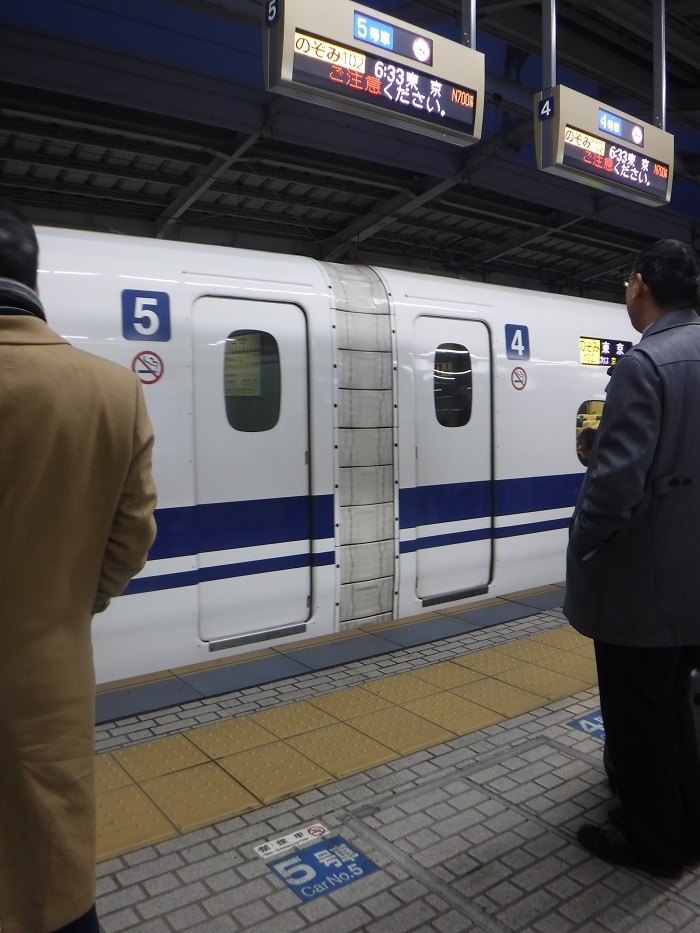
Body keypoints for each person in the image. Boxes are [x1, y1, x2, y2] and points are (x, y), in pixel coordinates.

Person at [0, 202, 157, 933]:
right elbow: (130, 538)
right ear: (33, 279)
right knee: (51, 876)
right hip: (49, 680)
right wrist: (67, 603)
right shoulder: (111, 390)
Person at [564, 238, 700, 878]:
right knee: (675, 708)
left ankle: (654, 845)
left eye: (627, 280)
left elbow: (615, 486)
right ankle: (687, 827)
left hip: (644, 590)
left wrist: (585, 542)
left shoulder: (645, 366)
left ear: (641, 285)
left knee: (639, 722)